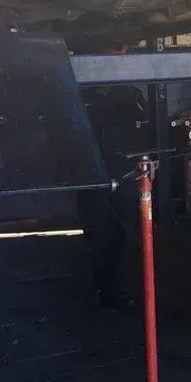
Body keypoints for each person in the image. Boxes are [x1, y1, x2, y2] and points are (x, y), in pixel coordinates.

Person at [78, 73, 149, 307]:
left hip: (124, 172)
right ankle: (98, 288)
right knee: (98, 233)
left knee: (124, 233)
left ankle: (117, 290)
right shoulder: (82, 96)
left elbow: (145, 125)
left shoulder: (130, 94)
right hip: (92, 174)